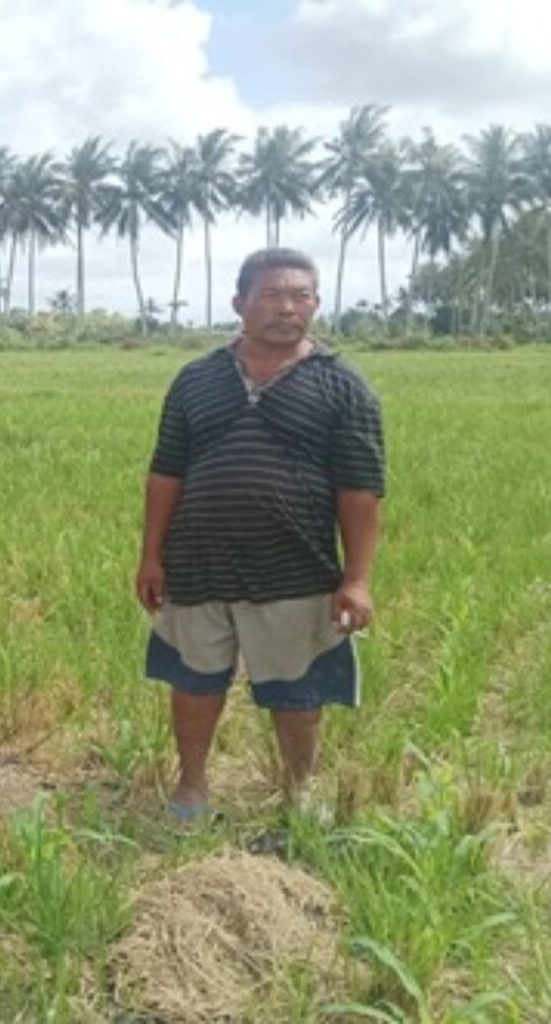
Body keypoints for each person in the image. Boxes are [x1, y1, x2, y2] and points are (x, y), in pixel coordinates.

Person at [135, 248, 384, 822]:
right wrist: (151, 555)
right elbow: (166, 471)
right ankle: (192, 789)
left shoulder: (344, 387)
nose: (288, 308)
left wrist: (358, 579)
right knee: (194, 681)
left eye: (302, 297)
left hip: (295, 567)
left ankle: (299, 794)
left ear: (316, 305)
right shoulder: (196, 379)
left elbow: (361, 491)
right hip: (197, 563)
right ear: (240, 303)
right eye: (272, 296)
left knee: (297, 688)